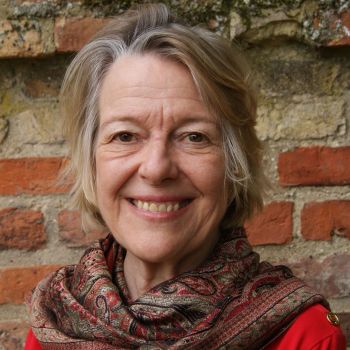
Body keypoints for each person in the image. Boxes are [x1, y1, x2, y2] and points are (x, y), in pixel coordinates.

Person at [25, 4, 346, 349]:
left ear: (235, 164)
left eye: (194, 136)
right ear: (91, 161)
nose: (156, 168)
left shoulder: (305, 338)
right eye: (125, 136)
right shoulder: (56, 326)